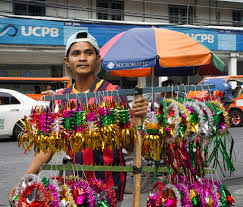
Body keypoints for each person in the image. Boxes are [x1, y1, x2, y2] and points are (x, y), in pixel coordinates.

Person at [9, 31, 148, 205]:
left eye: (88, 53)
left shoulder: (114, 93)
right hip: (72, 189)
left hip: (108, 189)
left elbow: (129, 147)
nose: (82, 58)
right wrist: (25, 180)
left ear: (97, 59)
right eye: (76, 53)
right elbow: (46, 149)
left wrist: (135, 119)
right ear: (67, 61)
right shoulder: (60, 99)